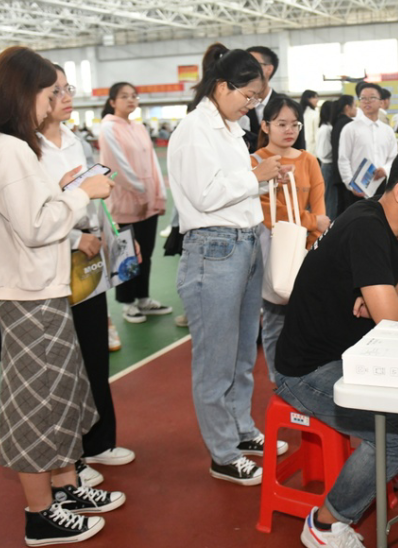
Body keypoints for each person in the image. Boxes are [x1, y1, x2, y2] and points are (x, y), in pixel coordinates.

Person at [0, 46, 123, 547]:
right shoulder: (10, 149)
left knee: (62, 392)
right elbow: (35, 227)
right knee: (36, 402)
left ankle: (64, 485)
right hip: (28, 290)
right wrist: (82, 194)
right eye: (48, 90)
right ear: (22, 92)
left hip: (36, 287)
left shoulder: (4, 144)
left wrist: (66, 192)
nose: (55, 98)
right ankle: (40, 512)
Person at [275, 142, 398, 548]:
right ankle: (325, 525)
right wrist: (388, 301)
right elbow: (394, 326)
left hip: (350, 354)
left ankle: (378, 466)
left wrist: (385, 294)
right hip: (306, 371)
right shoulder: (366, 227)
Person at [168, 43, 287, 486]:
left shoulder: (228, 126)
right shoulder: (195, 129)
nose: (252, 106)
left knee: (240, 353)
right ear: (222, 86)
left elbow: (232, 189)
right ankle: (221, 452)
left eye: (258, 99)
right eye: (249, 96)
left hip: (244, 243)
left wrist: (261, 176)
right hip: (213, 248)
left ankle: (240, 429)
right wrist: (255, 176)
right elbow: (205, 195)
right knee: (215, 360)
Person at [38, 64, 135, 479]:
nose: (65, 96)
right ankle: (69, 455)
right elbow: (34, 216)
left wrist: (110, 240)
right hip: (55, 261)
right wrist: (76, 239)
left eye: (67, 88)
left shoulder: (76, 142)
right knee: (63, 363)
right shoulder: (28, 150)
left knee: (94, 351)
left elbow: (92, 197)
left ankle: (98, 441)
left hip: (89, 261)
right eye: (55, 90)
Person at [251, 95, 328, 381]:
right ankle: (277, 377)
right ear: (266, 125)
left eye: (294, 124)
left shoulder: (309, 160)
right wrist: (311, 223)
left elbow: (320, 205)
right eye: (281, 123)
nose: (289, 130)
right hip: (275, 248)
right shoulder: (256, 161)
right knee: (274, 319)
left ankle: (304, 375)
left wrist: (313, 239)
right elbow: (269, 213)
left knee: (309, 317)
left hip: (308, 247)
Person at [99, 82, 171, 324]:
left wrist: (157, 192)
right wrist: (140, 191)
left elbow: (151, 161)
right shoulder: (108, 128)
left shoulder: (139, 127)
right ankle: (128, 304)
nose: (131, 100)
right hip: (125, 201)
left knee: (146, 253)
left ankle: (143, 298)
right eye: (124, 96)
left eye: (134, 96)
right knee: (127, 252)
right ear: (112, 102)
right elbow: (117, 166)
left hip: (147, 201)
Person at [337, 82, 397, 213]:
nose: (367, 101)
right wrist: (350, 184)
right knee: (357, 224)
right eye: (363, 98)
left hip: (381, 185)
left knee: (380, 221)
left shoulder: (387, 131)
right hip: (357, 188)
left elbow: (393, 157)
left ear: (381, 102)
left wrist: (385, 170)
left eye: (372, 97)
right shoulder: (350, 129)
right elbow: (343, 159)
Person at [330, 95, 356, 219]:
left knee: (341, 207)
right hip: (347, 174)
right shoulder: (348, 124)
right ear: (347, 107)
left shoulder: (336, 123)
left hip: (338, 173)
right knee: (348, 209)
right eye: (355, 106)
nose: (356, 109)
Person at [316, 98, 339, 219]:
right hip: (328, 165)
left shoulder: (325, 127)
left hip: (326, 165)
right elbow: (324, 152)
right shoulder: (326, 129)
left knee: (329, 196)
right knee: (329, 197)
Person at [300, 89, 320, 155]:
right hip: (314, 150)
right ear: (308, 99)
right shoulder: (315, 114)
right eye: (315, 97)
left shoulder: (300, 113)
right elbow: (317, 135)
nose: (317, 100)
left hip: (302, 148)